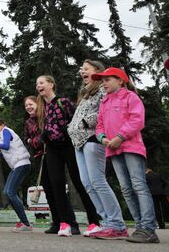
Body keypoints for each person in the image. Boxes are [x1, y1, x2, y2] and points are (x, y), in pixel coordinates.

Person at [94, 67, 160, 244]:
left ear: (120, 81)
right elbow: (99, 125)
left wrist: (119, 136)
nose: (104, 83)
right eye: (102, 80)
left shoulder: (131, 97)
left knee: (138, 185)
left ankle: (148, 228)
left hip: (131, 147)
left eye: (107, 79)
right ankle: (140, 227)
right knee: (126, 189)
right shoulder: (104, 102)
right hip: (113, 150)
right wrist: (103, 138)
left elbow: (137, 120)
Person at [67, 60, 128, 239]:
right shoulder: (85, 93)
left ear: (97, 71)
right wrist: (72, 127)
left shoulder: (103, 89)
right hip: (78, 142)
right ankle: (106, 222)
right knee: (87, 183)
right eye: (81, 69)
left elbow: (104, 111)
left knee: (97, 181)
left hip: (93, 139)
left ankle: (117, 223)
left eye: (86, 69)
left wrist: (85, 123)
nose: (82, 72)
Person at [35, 75, 99, 236]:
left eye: (41, 83)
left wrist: (66, 132)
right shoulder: (44, 107)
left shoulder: (63, 102)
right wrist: (44, 136)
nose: (38, 86)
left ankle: (94, 221)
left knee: (79, 182)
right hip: (52, 149)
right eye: (37, 84)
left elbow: (74, 121)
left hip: (69, 146)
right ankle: (67, 223)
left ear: (51, 84)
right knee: (56, 183)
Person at [0, 118, 32, 233]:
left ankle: (25, 223)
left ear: (2, 125)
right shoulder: (2, 135)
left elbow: (6, 146)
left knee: (10, 192)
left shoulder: (5, 131)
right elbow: (4, 152)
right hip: (17, 165)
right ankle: (23, 222)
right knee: (7, 192)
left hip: (22, 163)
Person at [23, 95, 60, 234]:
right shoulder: (28, 122)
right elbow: (26, 137)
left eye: (31, 104)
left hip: (52, 154)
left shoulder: (45, 117)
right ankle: (56, 222)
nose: (28, 107)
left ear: (38, 104)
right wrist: (32, 142)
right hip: (39, 157)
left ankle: (65, 220)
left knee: (57, 187)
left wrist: (39, 140)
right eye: (26, 106)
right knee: (48, 190)